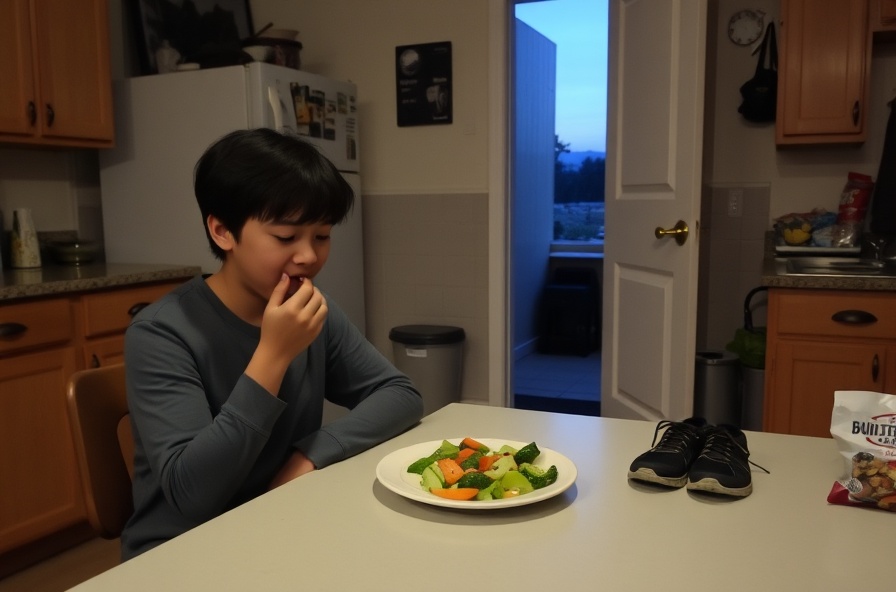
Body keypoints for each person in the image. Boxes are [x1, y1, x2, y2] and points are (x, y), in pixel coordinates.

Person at [121, 129, 424, 560]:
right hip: (180, 551)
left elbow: (400, 395)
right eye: (286, 237)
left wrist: (309, 455)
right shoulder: (161, 333)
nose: (309, 256)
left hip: (278, 523)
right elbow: (192, 495)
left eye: (322, 236)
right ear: (222, 231)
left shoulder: (311, 309)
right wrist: (274, 354)